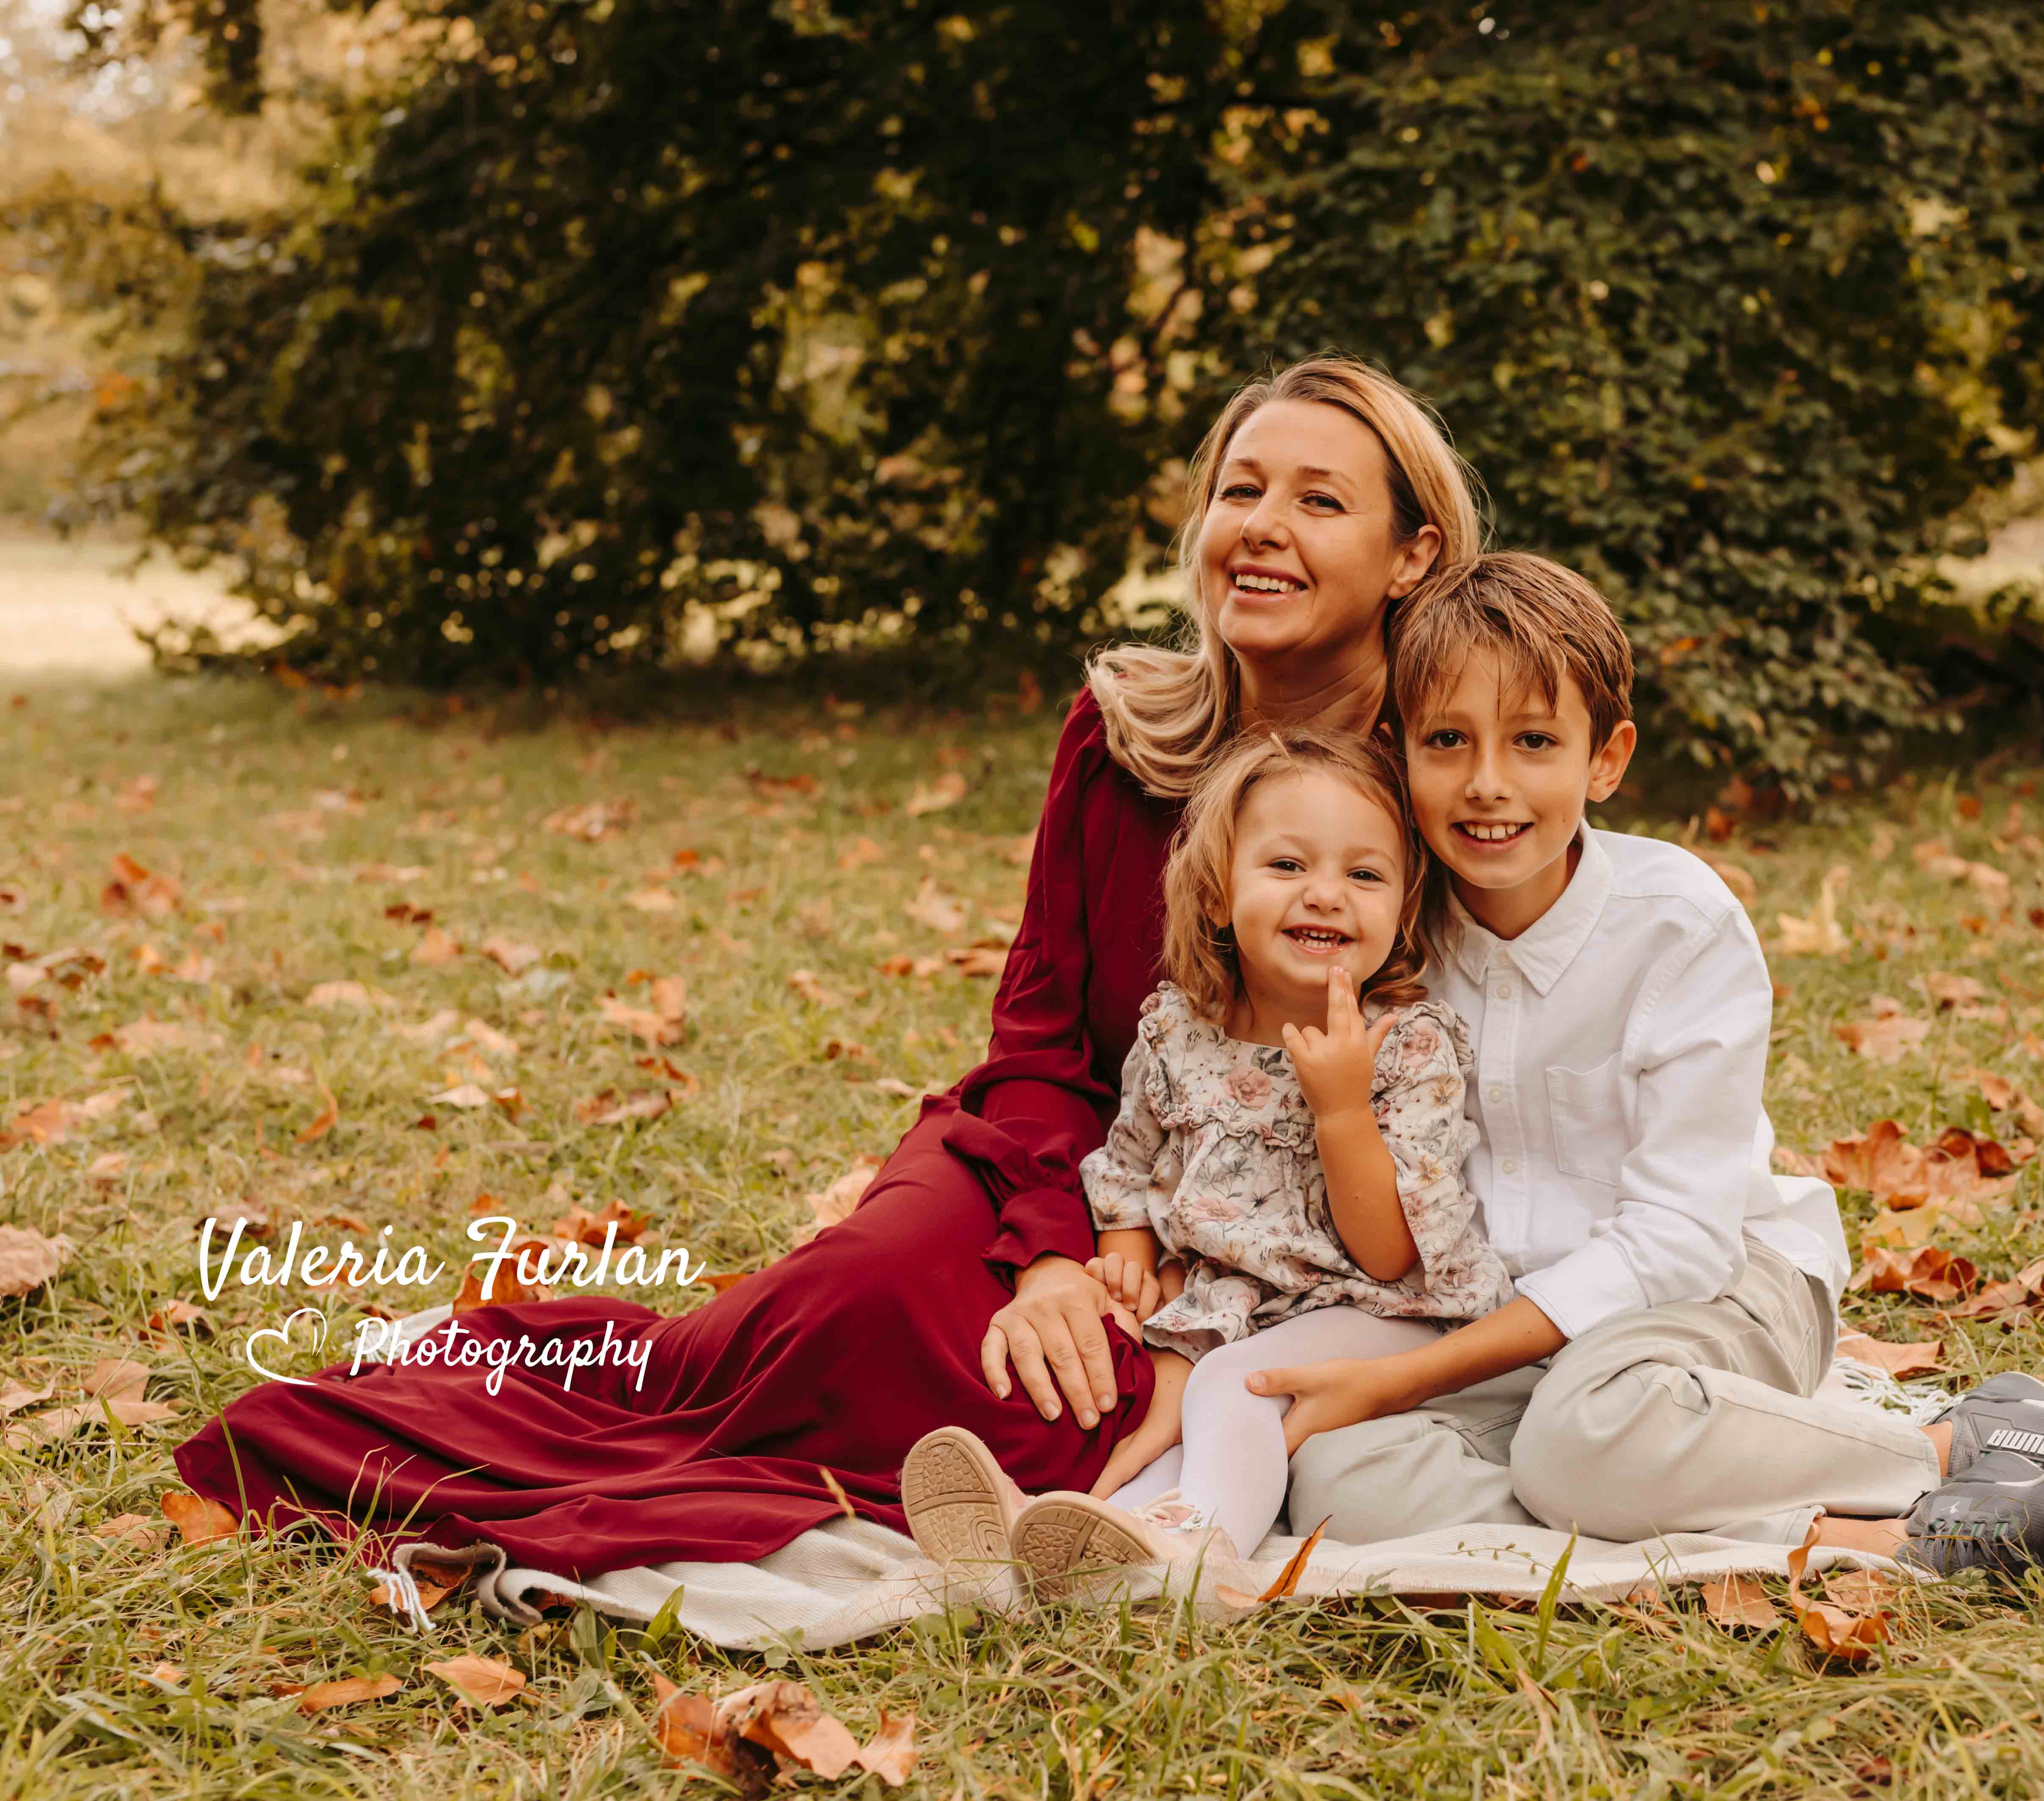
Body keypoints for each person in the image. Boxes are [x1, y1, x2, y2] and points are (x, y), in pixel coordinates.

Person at [169, 354, 1484, 1581]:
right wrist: (1049, 1258)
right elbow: (1036, 1044)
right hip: (1058, 1161)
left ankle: (1062, 1491)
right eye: (1239, 491)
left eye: (1319, 501)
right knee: (852, 1311)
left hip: (1277, 1250)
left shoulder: (1438, 782)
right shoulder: (1121, 734)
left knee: (1034, 1412)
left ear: (1409, 554)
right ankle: (590, 1371)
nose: (1261, 525)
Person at [1242, 552, 2044, 1592]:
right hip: (1511, 1332)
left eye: (1535, 742)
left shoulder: (1676, 921)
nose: (1487, 784)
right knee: (1343, 1476)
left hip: (1726, 1284)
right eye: (1447, 741)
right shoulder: (1392, 928)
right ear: (1397, 750)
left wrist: (1405, 1375)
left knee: (1577, 1444)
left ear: (1606, 759)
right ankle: (1915, 1532)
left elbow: (1675, 1242)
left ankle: (1967, 1443)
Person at [900, 725, 1513, 1597]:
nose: (1327, 896)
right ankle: (1061, 1535)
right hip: (1229, 1302)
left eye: (1364, 875)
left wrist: (1340, 1105)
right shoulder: (1180, 1030)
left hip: (1384, 1309)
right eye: (1288, 866)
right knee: (1162, 1409)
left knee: (1232, 1385)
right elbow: (1127, 1170)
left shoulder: (1405, 1045)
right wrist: (1126, 1269)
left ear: (1404, 910)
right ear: (1220, 894)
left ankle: (1207, 1552)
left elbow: (1389, 1252)